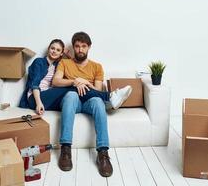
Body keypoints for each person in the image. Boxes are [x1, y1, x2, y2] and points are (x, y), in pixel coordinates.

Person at [53, 32, 132, 177]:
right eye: (77, 46)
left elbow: (96, 89)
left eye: (83, 46)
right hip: (73, 102)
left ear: (89, 47)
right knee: (70, 94)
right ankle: (65, 150)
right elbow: (56, 81)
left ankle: (103, 153)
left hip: (90, 102)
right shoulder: (65, 63)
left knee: (97, 100)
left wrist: (86, 82)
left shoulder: (97, 66)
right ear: (74, 47)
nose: (80, 49)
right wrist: (74, 81)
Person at [19, 39, 132, 115]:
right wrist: (38, 103)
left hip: (49, 97)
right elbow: (34, 84)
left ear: (61, 53)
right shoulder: (39, 62)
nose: (54, 51)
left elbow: (74, 62)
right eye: (52, 48)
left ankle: (108, 100)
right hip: (35, 98)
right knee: (74, 86)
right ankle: (109, 97)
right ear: (49, 48)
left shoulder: (58, 64)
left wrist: (68, 55)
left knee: (75, 89)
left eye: (58, 50)